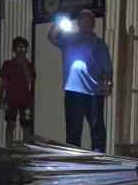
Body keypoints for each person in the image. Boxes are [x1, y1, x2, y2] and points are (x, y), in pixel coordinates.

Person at [47, 9, 112, 153]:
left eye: (89, 20)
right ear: (78, 23)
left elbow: (107, 67)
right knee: (73, 130)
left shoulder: (99, 43)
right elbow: (52, 36)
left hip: (94, 92)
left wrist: (108, 84)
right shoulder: (69, 39)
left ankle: (99, 160)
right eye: (82, 20)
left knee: (97, 130)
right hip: (73, 92)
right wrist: (59, 22)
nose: (85, 23)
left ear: (93, 24)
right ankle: (73, 161)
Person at [0, 36, 36, 146]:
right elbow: (3, 83)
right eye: (19, 48)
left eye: (24, 48)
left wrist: (24, 64)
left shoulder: (29, 65)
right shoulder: (7, 64)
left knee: (26, 126)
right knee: (10, 125)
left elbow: (31, 80)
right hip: (11, 99)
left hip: (26, 100)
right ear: (14, 49)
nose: (22, 50)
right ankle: (9, 148)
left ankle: (26, 151)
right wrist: (1, 99)